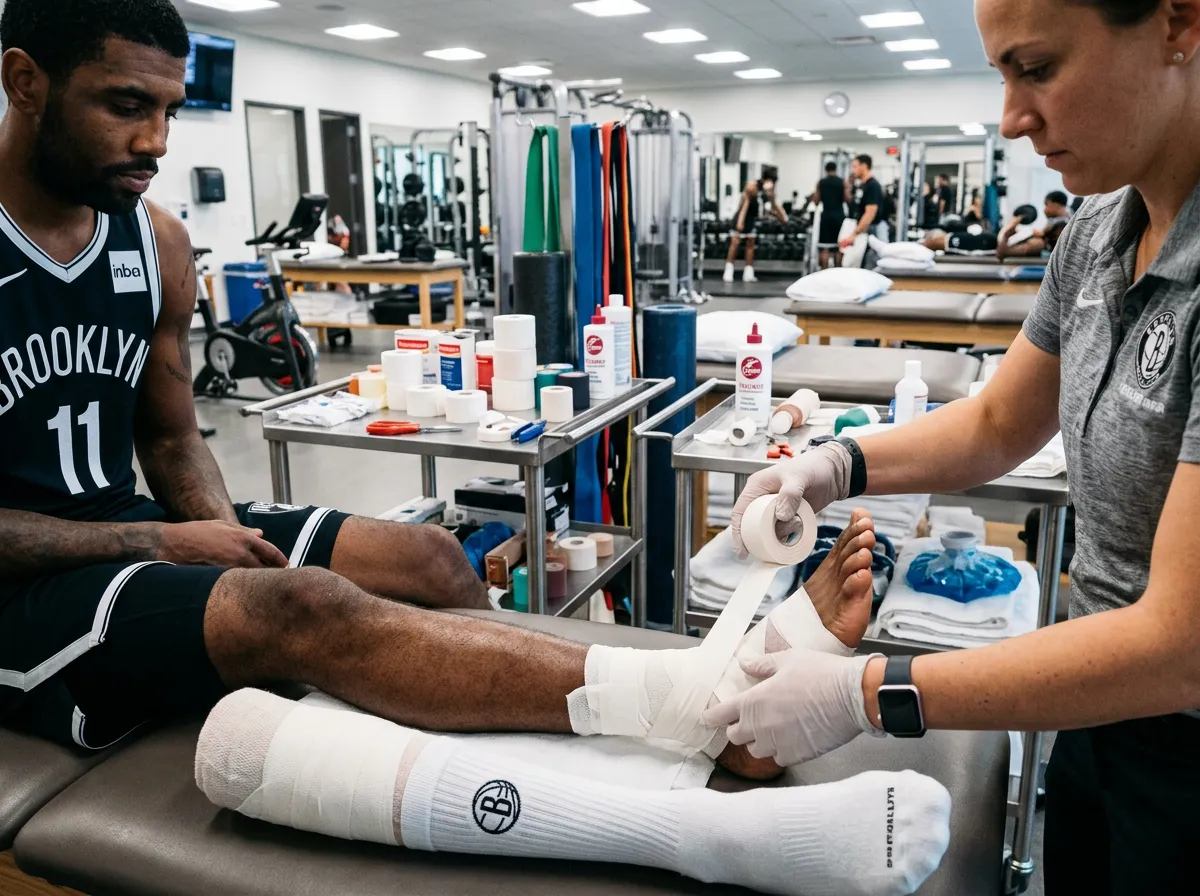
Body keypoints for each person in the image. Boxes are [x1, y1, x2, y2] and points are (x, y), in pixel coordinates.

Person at [0, 0, 894, 797]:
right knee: (301, 606)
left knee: (429, 554)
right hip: (20, 592)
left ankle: (568, 742)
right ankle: (707, 716)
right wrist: (166, 541)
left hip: (129, 522)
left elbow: (168, 437)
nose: (156, 139)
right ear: (24, 81)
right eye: (126, 105)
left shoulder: (154, 241)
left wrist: (215, 536)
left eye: (167, 108)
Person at [711, 0, 1200, 891]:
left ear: (1178, 23)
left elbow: (1182, 645)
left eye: (1039, 69)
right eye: (1002, 75)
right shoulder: (1096, 232)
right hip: (1095, 702)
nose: (1012, 118)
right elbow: (995, 423)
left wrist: (869, 691)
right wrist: (834, 466)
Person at [723, 165, 788, 283]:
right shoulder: (752, 186)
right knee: (735, 243)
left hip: (752, 218)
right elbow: (744, 205)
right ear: (765, 179)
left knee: (750, 244)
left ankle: (748, 273)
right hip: (742, 216)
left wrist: (782, 217)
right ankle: (728, 271)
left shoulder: (768, 191)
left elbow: (774, 205)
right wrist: (740, 223)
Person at [997, 188, 1074, 258]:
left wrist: (1007, 233)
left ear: (1055, 204)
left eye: (1047, 204)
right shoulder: (1058, 221)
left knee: (1037, 244)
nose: (1045, 209)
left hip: (1052, 256)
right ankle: (1005, 249)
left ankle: (1006, 251)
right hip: (1048, 252)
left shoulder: (1064, 224)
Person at [838, 154, 883, 265]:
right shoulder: (861, 186)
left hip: (871, 231)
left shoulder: (873, 186)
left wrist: (854, 235)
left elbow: (869, 214)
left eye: (855, 166)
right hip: (861, 231)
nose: (853, 170)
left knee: (869, 265)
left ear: (864, 166)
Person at [811, 160, 847, 268]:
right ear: (836, 170)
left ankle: (824, 273)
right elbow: (846, 199)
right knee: (838, 247)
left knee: (824, 247)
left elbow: (816, 201)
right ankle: (837, 271)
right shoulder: (842, 182)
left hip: (826, 216)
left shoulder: (821, 182)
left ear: (825, 170)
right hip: (839, 216)